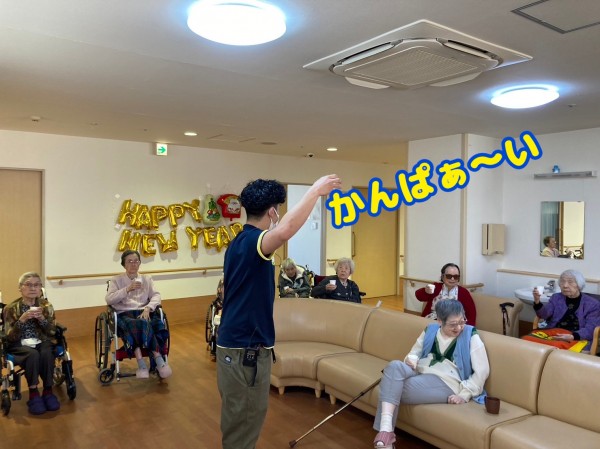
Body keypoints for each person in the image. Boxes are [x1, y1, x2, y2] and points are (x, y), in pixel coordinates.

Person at [217, 174, 341, 449]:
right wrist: (314, 192)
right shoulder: (253, 241)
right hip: (244, 350)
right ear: (273, 212)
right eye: (278, 211)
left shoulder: (239, 241)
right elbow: (285, 232)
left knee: (240, 421)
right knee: (244, 422)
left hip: (237, 346)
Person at [372, 300, 489, 448]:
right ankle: (386, 431)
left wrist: (464, 394)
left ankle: (385, 434)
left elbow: (482, 370)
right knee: (394, 366)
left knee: (389, 386)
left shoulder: (470, 334)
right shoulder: (430, 330)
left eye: (462, 321)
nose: (459, 327)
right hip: (420, 372)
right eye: (453, 324)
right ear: (439, 321)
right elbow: (414, 353)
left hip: (446, 382)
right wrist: (411, 360)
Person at [105, 250, 171, 379]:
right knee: (139, 324)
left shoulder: (146, 278)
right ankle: (149, 362)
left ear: (140, 263)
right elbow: (109, 300)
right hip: (125, 313)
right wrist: (127, 289)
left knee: (154, 323)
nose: (133, 264)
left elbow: (156, 295)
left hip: (144, 311)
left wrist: (148, 308)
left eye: (136, 261)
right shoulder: (116, 280)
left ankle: (151, 363)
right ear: (124, 264)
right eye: (129, 261)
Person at [3, 272, 61, 415]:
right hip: (19, 344)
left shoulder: (46, 306)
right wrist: (21, 320)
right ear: (20, 288)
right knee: (33, 354)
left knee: (47, 352)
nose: (33, 288)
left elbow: (52, 332)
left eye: (36, 285)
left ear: (40, 288)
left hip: (42, 340)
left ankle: (48, 391)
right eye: (28, 284)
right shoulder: (10, 308)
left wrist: (42, 319)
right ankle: (34, 393)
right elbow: (9, 337)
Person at [532, 269, 600, 350]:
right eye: (562, 281)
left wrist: (572, 336)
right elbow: (544, 315)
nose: (565, 285)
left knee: (553, 347)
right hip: (554, 332)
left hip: (576, 337)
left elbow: (591, 329)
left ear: (579, 285)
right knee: (527, 340)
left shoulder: (592, 304)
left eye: (570, 282)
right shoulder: (556, 298)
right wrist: (537, 301)